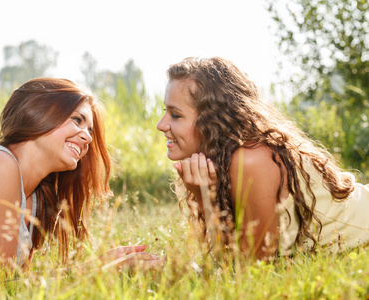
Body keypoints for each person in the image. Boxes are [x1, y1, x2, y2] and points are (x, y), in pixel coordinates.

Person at [0, 77, 164, 282]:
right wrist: (98, 272)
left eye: (90, 130)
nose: (87, 137)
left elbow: (17, 284)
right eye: (77, 120)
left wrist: (100, 265)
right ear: (39, 112)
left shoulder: (35, 197)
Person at [156, 57, 369, 260]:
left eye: (176, 115)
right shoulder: (220, 160)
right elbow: (224, 255)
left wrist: (205, 199)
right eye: (165, 111)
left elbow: (251, 265)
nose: (161, 125)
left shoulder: (251, 160)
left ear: (212, 118)